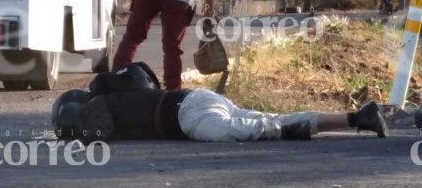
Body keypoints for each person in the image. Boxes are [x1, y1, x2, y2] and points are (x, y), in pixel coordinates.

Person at [51, 65, 387, 143]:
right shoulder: (120, 94)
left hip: (190, 116)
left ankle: (349, 120)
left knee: (263, 128)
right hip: (199, 98)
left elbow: (99, 132)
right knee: (271, 117)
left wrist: (79, 136)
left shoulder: (99, 104)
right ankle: (357, 117)